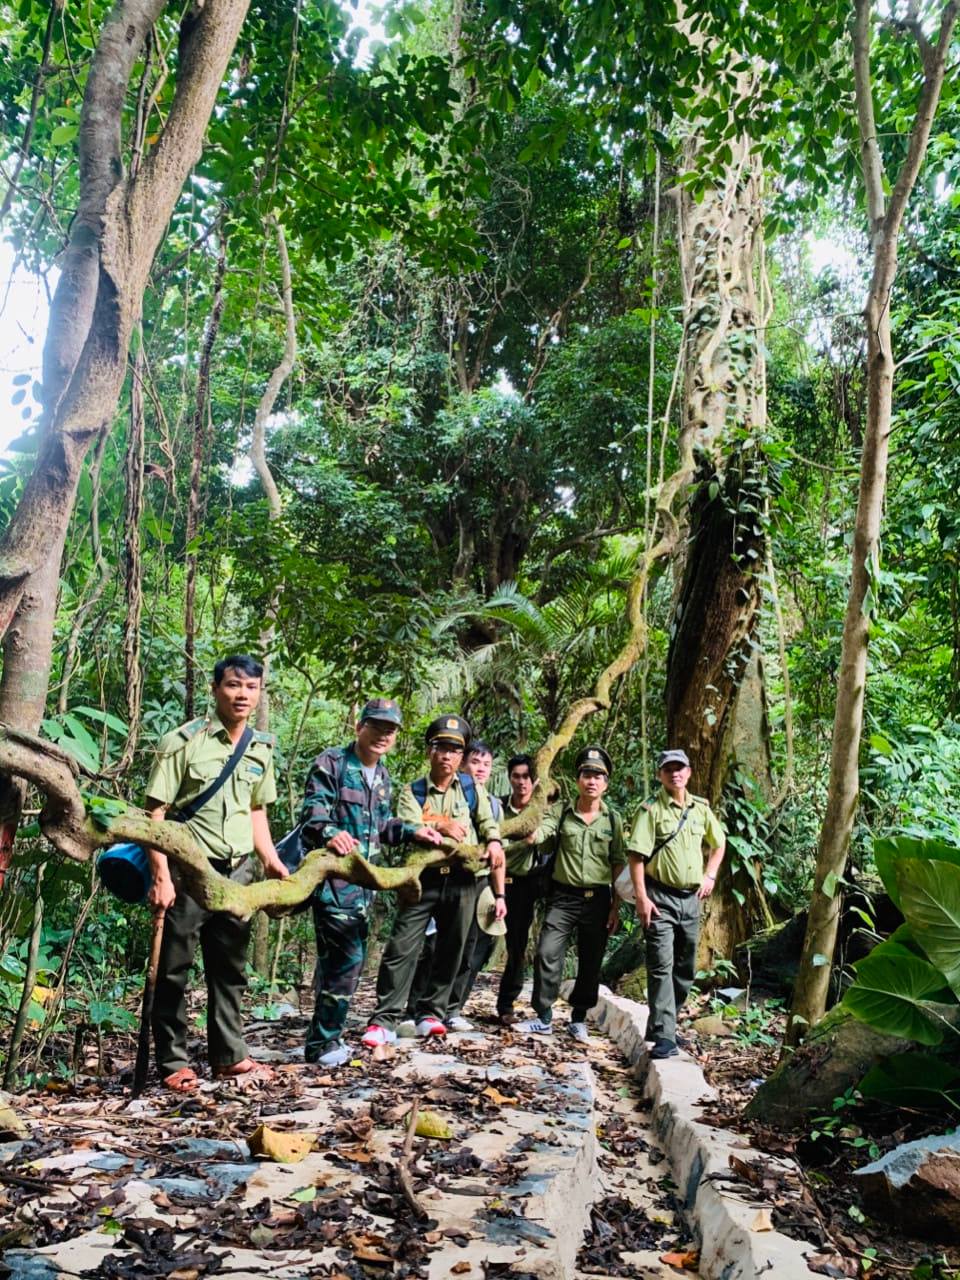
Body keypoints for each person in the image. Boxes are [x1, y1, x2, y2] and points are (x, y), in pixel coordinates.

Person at [145, 655, 289, 1093]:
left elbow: (257, 811)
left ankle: (230, 1057)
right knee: (174, 969)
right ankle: (173, 1062)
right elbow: (155, 814)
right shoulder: (183, 742)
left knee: (229, 970)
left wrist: (271, 861)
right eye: (233, 685)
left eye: (251, 687)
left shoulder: (261, 747)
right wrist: (162, 876)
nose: (242, 694)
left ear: (260, 693)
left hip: (237, 877)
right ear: (215, 689)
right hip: (190, 872)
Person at [299, 698, 443, 1066]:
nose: (383, 735)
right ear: (359, 727)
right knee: (347, 961)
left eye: (390, 730)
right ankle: (322, 1045)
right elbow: (312, 813)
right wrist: (331, 832)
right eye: (376, 727)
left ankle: (327, 1038)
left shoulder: (382, 776)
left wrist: (414, 832)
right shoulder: (332, 762)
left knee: (346, 964)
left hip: (367, 887)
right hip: (334, 881)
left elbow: (382, 828)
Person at [361, 715, 506, 1046]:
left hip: (463, 881)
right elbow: (410, 825)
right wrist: (440, 826)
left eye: (455, 750)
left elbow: (486, 822)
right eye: (441, 747)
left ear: (461, 756)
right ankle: (385, 1018)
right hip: (422, 880)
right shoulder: (413, 790)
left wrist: (495, 841)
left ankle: (432, 1013)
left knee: (452, 948)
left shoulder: (471, 789)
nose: (447, 755)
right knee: (402, 946)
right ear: (430, 751)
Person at [518, 746, 624, 1043]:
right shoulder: (563, 813)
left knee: (591, 960)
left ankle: (578, 1018)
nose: (592, 780)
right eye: (587, 774)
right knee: (547, 952)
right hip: (563, 897)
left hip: (598, 900)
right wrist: (531, 834)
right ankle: (543, 1016)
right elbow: (544, 832)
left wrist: (616, 906)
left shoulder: (613, 821)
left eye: (598, 776)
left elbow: (618, 864)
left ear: (606, 783)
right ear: (578, 779)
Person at [626, 748, 726, 1060]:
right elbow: (636, 857)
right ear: (660, 774)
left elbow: (719, 843)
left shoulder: (700, 809)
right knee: (660, 965)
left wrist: (710, 875)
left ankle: (662, 1025)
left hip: (691, 899)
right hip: (660, 898)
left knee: (685, 968)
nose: (675, 773)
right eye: (668, 769)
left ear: (689, 772)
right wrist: (642, 898)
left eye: (680, 768)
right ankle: (666, 1036)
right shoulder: (650, 809)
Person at [439, 740, 504, 1031]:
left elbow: (497, 854)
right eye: (475, 762)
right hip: (446, 876)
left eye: (486, 764)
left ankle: (454, 1008)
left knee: (471, 948)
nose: (480, 769)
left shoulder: (494, 806)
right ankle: (425, 1008)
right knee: (438, 945)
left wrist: (500, 894)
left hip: (479, 882)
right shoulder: (454, 792)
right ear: (464, 763)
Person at [495, 753, 543, 1026]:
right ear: (509, 778)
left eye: (526, 777)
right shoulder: (498, 808)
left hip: (526, 885)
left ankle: (506, 1004)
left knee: (517, 946)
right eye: (516, 776)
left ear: (534, 780)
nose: (521, 782)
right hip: (495, 882)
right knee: (477, 943)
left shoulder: (538, 811)